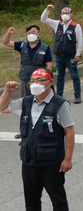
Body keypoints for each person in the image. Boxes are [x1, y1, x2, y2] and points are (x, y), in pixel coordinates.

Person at [0, 69, 75, 211]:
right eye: (32, 81)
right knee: (31, 201)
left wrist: (68, 159)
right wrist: (7, 91)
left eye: (40, 80)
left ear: (50, 82)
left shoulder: (59, 104)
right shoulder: (26, 102)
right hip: (29, 161)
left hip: (52, 162)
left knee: (58, 200)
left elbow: (69, 131)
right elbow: (2, 108)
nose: (35, 84)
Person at [41, 5, 83, 104]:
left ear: (71, 15)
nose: (65, 15)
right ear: (60, 14)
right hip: (59, 56)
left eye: (67, 13)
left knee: (74, 75)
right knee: (60, 76)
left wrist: (78, 54)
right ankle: (59, 96)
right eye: (63, 13)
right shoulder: (57, 24)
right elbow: (43, 19)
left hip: (71, 55)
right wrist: (47, 10)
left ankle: (77, 95)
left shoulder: (76, 26)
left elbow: (80, 41)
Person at [2, 25, 53, 97]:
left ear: (39, 35)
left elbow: (48, 64)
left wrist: (47, 78)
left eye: (33, 32)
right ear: (26, 35)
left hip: (38, 79)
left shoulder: (45, 48)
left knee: (39, 99)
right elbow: (5, 43)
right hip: (25, 78)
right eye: (29, 33)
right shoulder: (22, 45)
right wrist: (8, 33)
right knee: (26, 100)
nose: (31, 34)